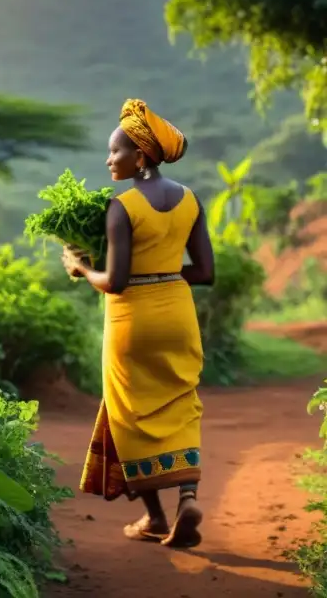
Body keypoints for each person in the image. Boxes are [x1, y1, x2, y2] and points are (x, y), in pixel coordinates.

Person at [60, 98, 214, 549]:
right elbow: (204, 272)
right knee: (182, 401)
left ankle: (156, 518)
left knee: (128, 411)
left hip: (132, 320)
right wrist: (165, 275)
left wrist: (81, 269)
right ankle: (188, 497)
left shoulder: (121, 207)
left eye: (115, 152)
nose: (109, 159)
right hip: (178, 314)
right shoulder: (190, 200)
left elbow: (117, 280)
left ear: (141, 156)